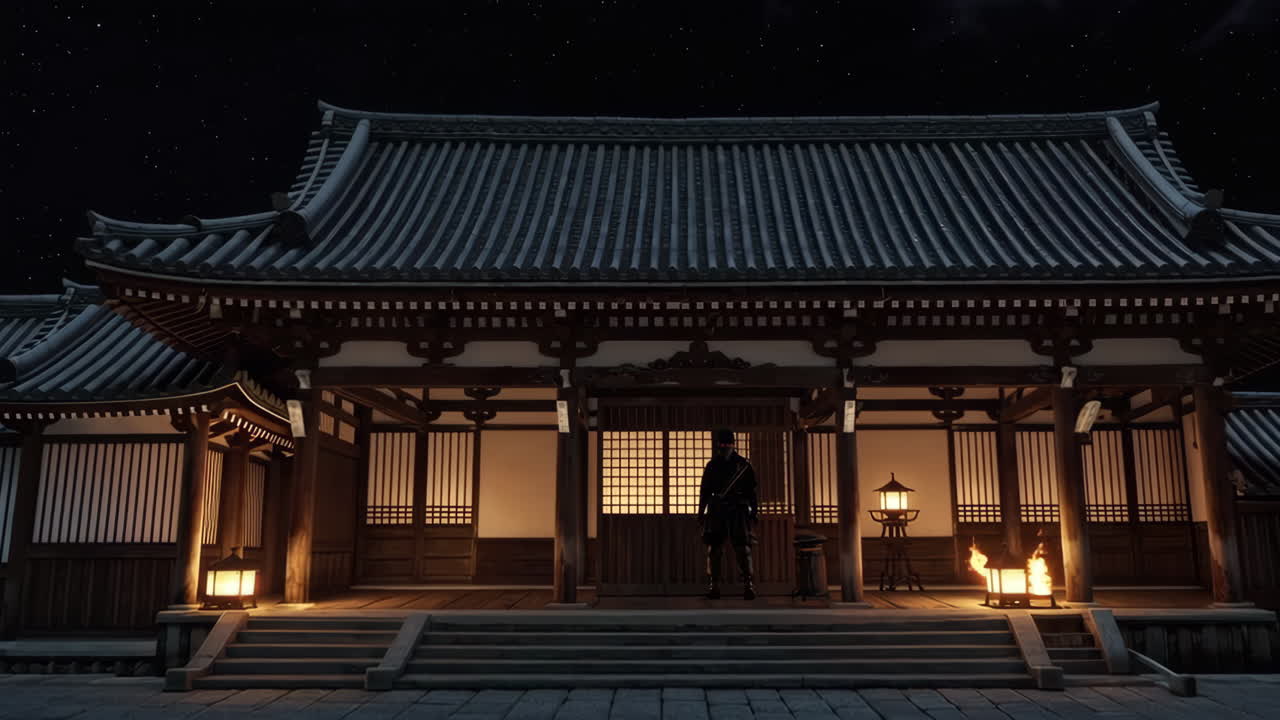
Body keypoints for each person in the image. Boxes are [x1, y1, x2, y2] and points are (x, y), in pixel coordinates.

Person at [697, 428, 758, 600]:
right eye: (722, 445)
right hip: (717, 509)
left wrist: (755, 511)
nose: (725, 448)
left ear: (733, 445)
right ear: (718, 446)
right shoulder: (712, 465)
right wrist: (701, 512)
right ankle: (714, 585)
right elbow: (705, 492)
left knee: (743, 548)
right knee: (714, 550)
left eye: (727, 444)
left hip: (738, 509)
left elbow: (752, 492)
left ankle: (748, 585)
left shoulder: (743, 465)